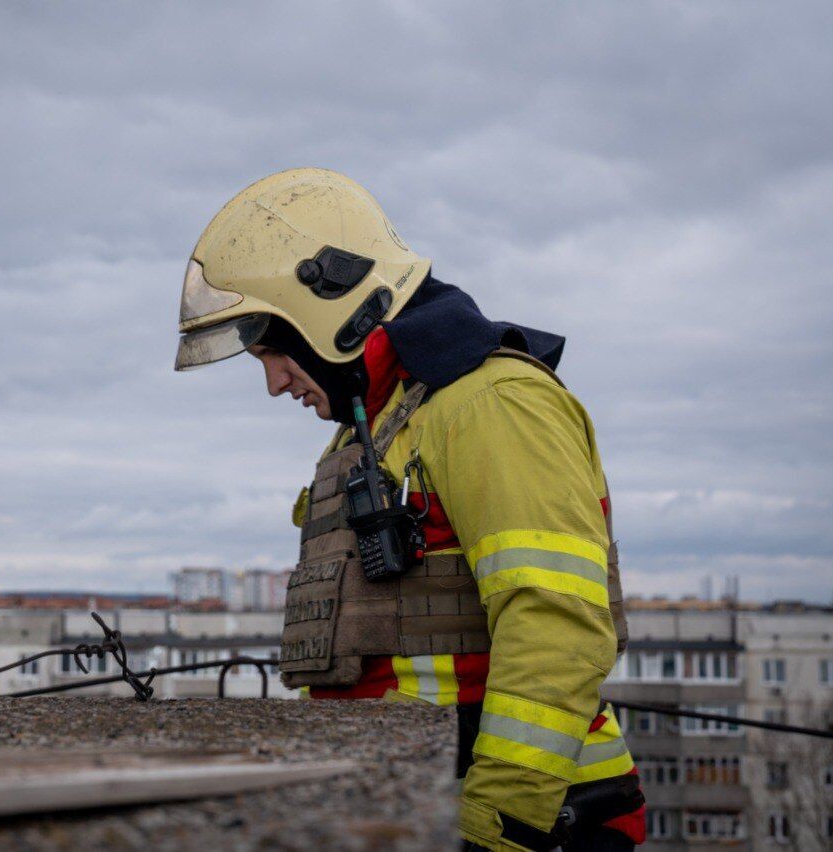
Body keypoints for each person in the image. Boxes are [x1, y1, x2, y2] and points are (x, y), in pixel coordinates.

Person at [174, 169, 645, 850]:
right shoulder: (391, 422)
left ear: (330, 307)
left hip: (532, 817)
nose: (275, 384)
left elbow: (557, 630)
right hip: (423, 798)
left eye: (274, 352)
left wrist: (494, 825)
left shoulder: (492, 403)